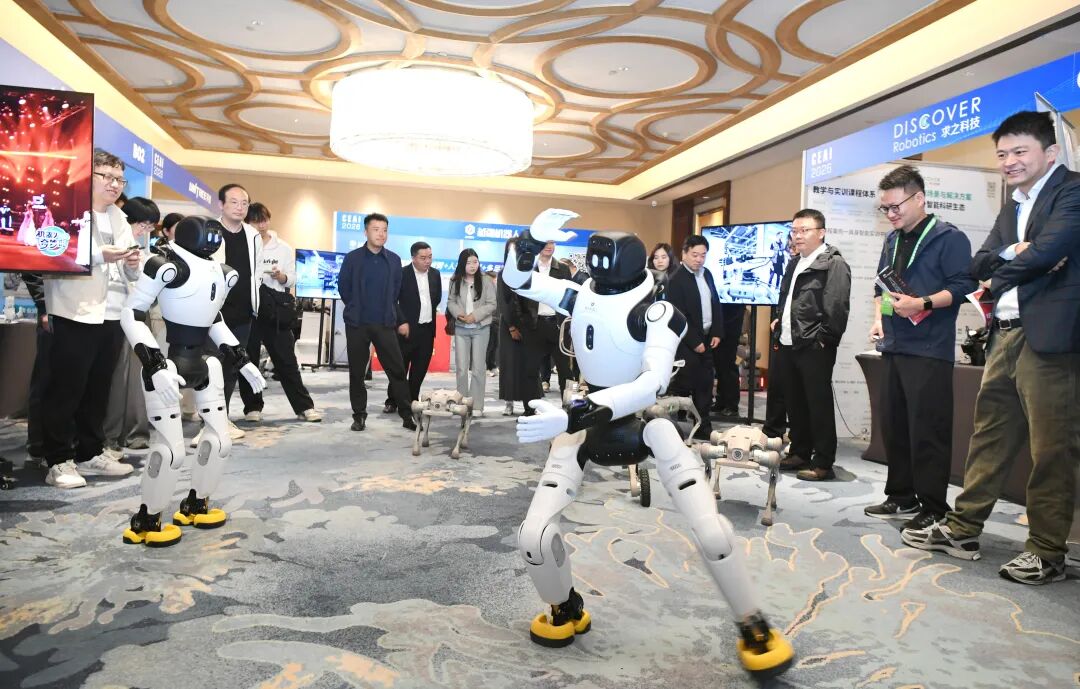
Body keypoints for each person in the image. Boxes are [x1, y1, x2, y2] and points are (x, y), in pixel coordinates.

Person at [503, 209, 793, 678]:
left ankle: (752, 622)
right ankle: (564, 607)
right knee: (532, 536)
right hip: (586, 425)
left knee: (713, 533)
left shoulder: (658, 313)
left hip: (641, 424)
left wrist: (575, 412)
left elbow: (649, 385)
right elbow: (518, 280)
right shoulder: (581, 294)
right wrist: (530, 240)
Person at [902, 111, 1080, 585]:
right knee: (989, 436)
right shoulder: (1012, 205)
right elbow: (981, 262)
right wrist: (1016, 254)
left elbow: (1048, 252)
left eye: (1020, 151)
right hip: (1004, 332)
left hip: (1053, 339)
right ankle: (963, 529)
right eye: (1002, 154)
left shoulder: (1072, 191)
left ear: (1051, 153)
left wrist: (1013, 266)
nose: (1009, 162)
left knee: (1052, 448)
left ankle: (1047, 551)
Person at [119, 216, 266, 546]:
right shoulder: (165, 265)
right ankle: (147, 518)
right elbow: (132, 313)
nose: (212, 238)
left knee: (221, 442)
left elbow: (214, 319)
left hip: (204, 362)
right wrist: (154, 363)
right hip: (168, 365)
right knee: (171, 451)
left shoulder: (221, 272)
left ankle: (196, 503)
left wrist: (242, 360)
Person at [864, 165, 975, 529]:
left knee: (928, 430)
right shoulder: (892, 240)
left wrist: (922, 303)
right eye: (885, 208)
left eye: (895, 206)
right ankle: (901, 495)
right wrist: (880, 318)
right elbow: (882, 287)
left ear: (919, 198)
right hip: (894, 344)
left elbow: (964, 288)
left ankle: (933, 506)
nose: (890, 214)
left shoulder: (949, 238)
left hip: (929, 348)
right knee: (894, 425)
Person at [40, 148, 142, 488]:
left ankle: (90, 452)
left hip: (111, 313)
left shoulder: (119, 217)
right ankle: (57, 460)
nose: (114, 185)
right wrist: (100, 255)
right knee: (66, 388)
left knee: (99, 389)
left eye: (119, 179)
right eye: (107, 177)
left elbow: (131, 273)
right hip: (75, 310)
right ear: (89, 176)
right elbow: (51, 252)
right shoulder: (66, 211)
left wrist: (132, 265)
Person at [772, 209, 851, 481]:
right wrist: (778, 322)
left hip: (814, 346)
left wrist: (823, 340)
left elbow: (837, 307)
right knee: (795, 403)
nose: (798, 236)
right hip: (788, 343)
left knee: (818, 405)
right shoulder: (795, 262)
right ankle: (800, 452)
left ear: (821, 232)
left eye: (804, 230)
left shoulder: (833, 264)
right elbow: (787, 299)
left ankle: (823, 462)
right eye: (794, 230)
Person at [237, 202, 321, 423]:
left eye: (264, 220)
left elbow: (292, 279)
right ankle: (252, 407)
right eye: (256, 222)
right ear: (248, 223)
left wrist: (281, 277)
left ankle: (304, 406)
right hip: (249, 310)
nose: (261, 225)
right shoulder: (242, 245)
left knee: (286, 361)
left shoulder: (283, 248)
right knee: (248, 360)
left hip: (275, 312)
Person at [338, 213, 415, 432]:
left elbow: (395, 291)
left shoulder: (394, 260)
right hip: (358, 324)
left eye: (384, 230)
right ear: (366, 232)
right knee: (357, 373)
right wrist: (355, 306)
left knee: (397, 370)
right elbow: (344, 287)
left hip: (384, 324)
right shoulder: (352, 258)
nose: (381, 234)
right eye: (376, 229)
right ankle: (359, 416)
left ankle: (407, 415)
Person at [103, 196, 161, 457]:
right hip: (112, 315)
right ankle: (109, 437)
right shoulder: (112, 243)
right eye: (142, 225)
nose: (144, 231)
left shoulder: (145, 252)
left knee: (138, 379)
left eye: (150, 227)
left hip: (137, 316)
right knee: (114, 379)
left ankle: (135, 432)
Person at [209, 183, 263, 440]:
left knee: (233, 365)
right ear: (221, 204)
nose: (240, 208)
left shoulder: (253, 235)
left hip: (243, 310)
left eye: (244, 203)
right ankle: (209, 418)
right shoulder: (210, 231)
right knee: (212, 365)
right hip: (214, 311)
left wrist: (254, 302)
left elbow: (257, 272)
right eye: (234, 202)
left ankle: (224, 417)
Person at [665, 234, 723, 439]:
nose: (699, 259)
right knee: (684, 384)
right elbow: (678, 315)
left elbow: (715, 304)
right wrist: (694, 341)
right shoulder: (676, 279)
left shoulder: (707, 274)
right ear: (684, 253)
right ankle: (672, 428)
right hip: (686, 341)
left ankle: (703, 426)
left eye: (703, 255)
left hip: (707, 337)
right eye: (695, 255)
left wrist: (717, 331)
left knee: (705, 384)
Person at [384, 241, 441, 414]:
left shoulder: (435, 274)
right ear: (413, 258)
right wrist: (401, 321)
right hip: (406, 329)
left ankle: (411, 400)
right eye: (423, 258)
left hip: (427, 330)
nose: (427, 261)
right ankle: (392, 400)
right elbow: (393, 301)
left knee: (419, 370)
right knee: (400, 368)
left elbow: (437, 298)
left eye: (430, 257)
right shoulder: (402, 274)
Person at [446, 248, 497, 416]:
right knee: (461, 368)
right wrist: (460, 314)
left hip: (481, 328)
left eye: (475, 262)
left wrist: (474, 316)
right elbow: (451, 301)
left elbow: (492, 304)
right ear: (462, 264)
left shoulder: (486, 280)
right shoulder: (455, 280)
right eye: (468, 263)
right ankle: (461, 403)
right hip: (461, 328)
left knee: (478, 368)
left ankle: (476, 406)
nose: (473, 266)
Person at [527, 241, 573, 395]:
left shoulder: (563, 269)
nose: (549, 246)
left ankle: (568, 404)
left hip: (558, 325)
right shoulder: (528, 267)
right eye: (545, 242)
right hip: (535, 323)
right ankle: (530, 405)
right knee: (531, 368)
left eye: (552, 242)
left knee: (565, 369)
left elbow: (569, 296)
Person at [498, 238, 535, 416]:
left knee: (528, 366)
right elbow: (503, 302)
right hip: (509, 325)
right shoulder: (503, 274)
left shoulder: (530, 271)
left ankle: (530, 404)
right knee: (510, 365)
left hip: (528, 324)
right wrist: (511, 326)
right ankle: (509, 402)